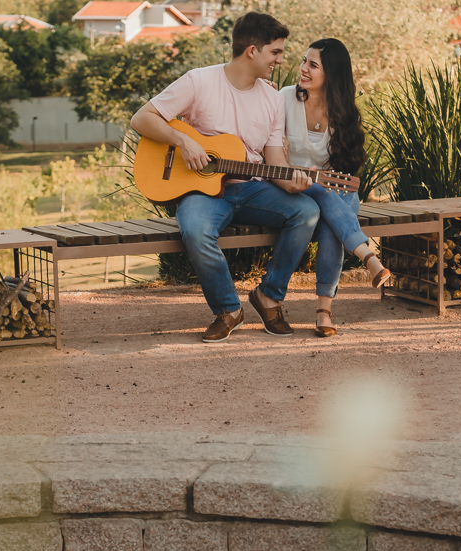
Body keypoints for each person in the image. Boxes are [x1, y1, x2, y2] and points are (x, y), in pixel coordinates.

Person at [131, 12, 320, 343]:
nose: (280, 59)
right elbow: (141, 118)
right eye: (275, 51)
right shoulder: (199, 81)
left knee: (306, 211)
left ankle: (269, 297)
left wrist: (294, 182)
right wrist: (183, 140)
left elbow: (274, 160)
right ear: (252, 50)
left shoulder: (271, 99)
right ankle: (229, 310)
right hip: (203, 192)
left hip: (251, 190)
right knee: (195, 229)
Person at [280, 38, 390, 337]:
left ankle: (324, 311)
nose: (303, 69)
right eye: (304, 61)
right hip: (294, 190)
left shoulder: (344, 112)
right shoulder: (285, 99)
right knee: (317, 190)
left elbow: (346, 172)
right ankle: (368, 257)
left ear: (332, 73)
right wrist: (291, 167)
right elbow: (273, 153)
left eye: (312, 65)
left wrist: (321, 178)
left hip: (336, 194)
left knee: (329, 219)